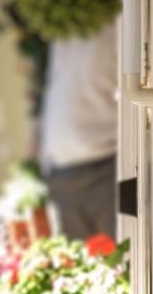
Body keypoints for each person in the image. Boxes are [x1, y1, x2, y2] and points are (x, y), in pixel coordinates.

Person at [38, 27, 119, 239]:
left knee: (127, 262)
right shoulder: (65, 23)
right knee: (78, 268)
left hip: (106, 162)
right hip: (61, 170)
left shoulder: (119, 15)